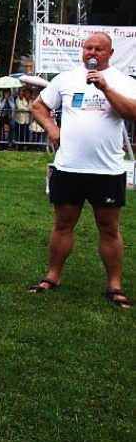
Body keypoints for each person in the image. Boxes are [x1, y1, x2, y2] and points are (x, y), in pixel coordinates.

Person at [27, 32, 136, 308]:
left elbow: (132, 113)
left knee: (109, 229)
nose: (92, 53)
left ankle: (114, 286)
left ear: (110, 53)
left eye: (99, 49)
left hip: (107, 170)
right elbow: (38, 106)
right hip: (69, 167)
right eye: (88, 48)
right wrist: (52, 129)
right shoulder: (65, 79)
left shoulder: (123, 82)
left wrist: (106, 89)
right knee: (63, 224)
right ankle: (52, 277)